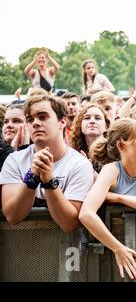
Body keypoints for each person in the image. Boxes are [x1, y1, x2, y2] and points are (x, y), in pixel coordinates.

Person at [79, 119, 136, 279]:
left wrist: (119, 198)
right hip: (112, 257)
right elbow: (86, 214)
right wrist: (118, 249)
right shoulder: (111, 170)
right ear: (121, 146)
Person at [0, 94, 94, 232]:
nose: (36, 123)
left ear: (62, 122)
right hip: (20, 248)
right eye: (30, 119)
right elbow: (13, 216)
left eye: (43, 117)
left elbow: (69, 224)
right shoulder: (14, 160)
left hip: (65, 250)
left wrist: (50, 182)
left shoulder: (80, 164)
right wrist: (32, 178)